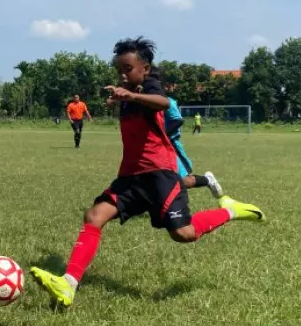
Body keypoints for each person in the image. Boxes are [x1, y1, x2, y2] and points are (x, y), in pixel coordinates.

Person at [29, 37, 265, 307]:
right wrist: (123, 97)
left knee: (183, 234)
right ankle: (68, 283)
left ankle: (232, 210)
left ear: (145, 68)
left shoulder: (148, 87)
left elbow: (162, 103)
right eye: (119, 69)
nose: (122, 74)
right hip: (130, 176)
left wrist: (131, 95)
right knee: (94, 216)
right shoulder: (128, 92)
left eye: (127, 68)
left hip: (159, 173)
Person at [164, 95, 223, 197]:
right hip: (152, 147)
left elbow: (178, 120)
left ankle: (207, 180)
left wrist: (161, 136)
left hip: (169, 145)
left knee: (184, 181)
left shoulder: (168, 102)